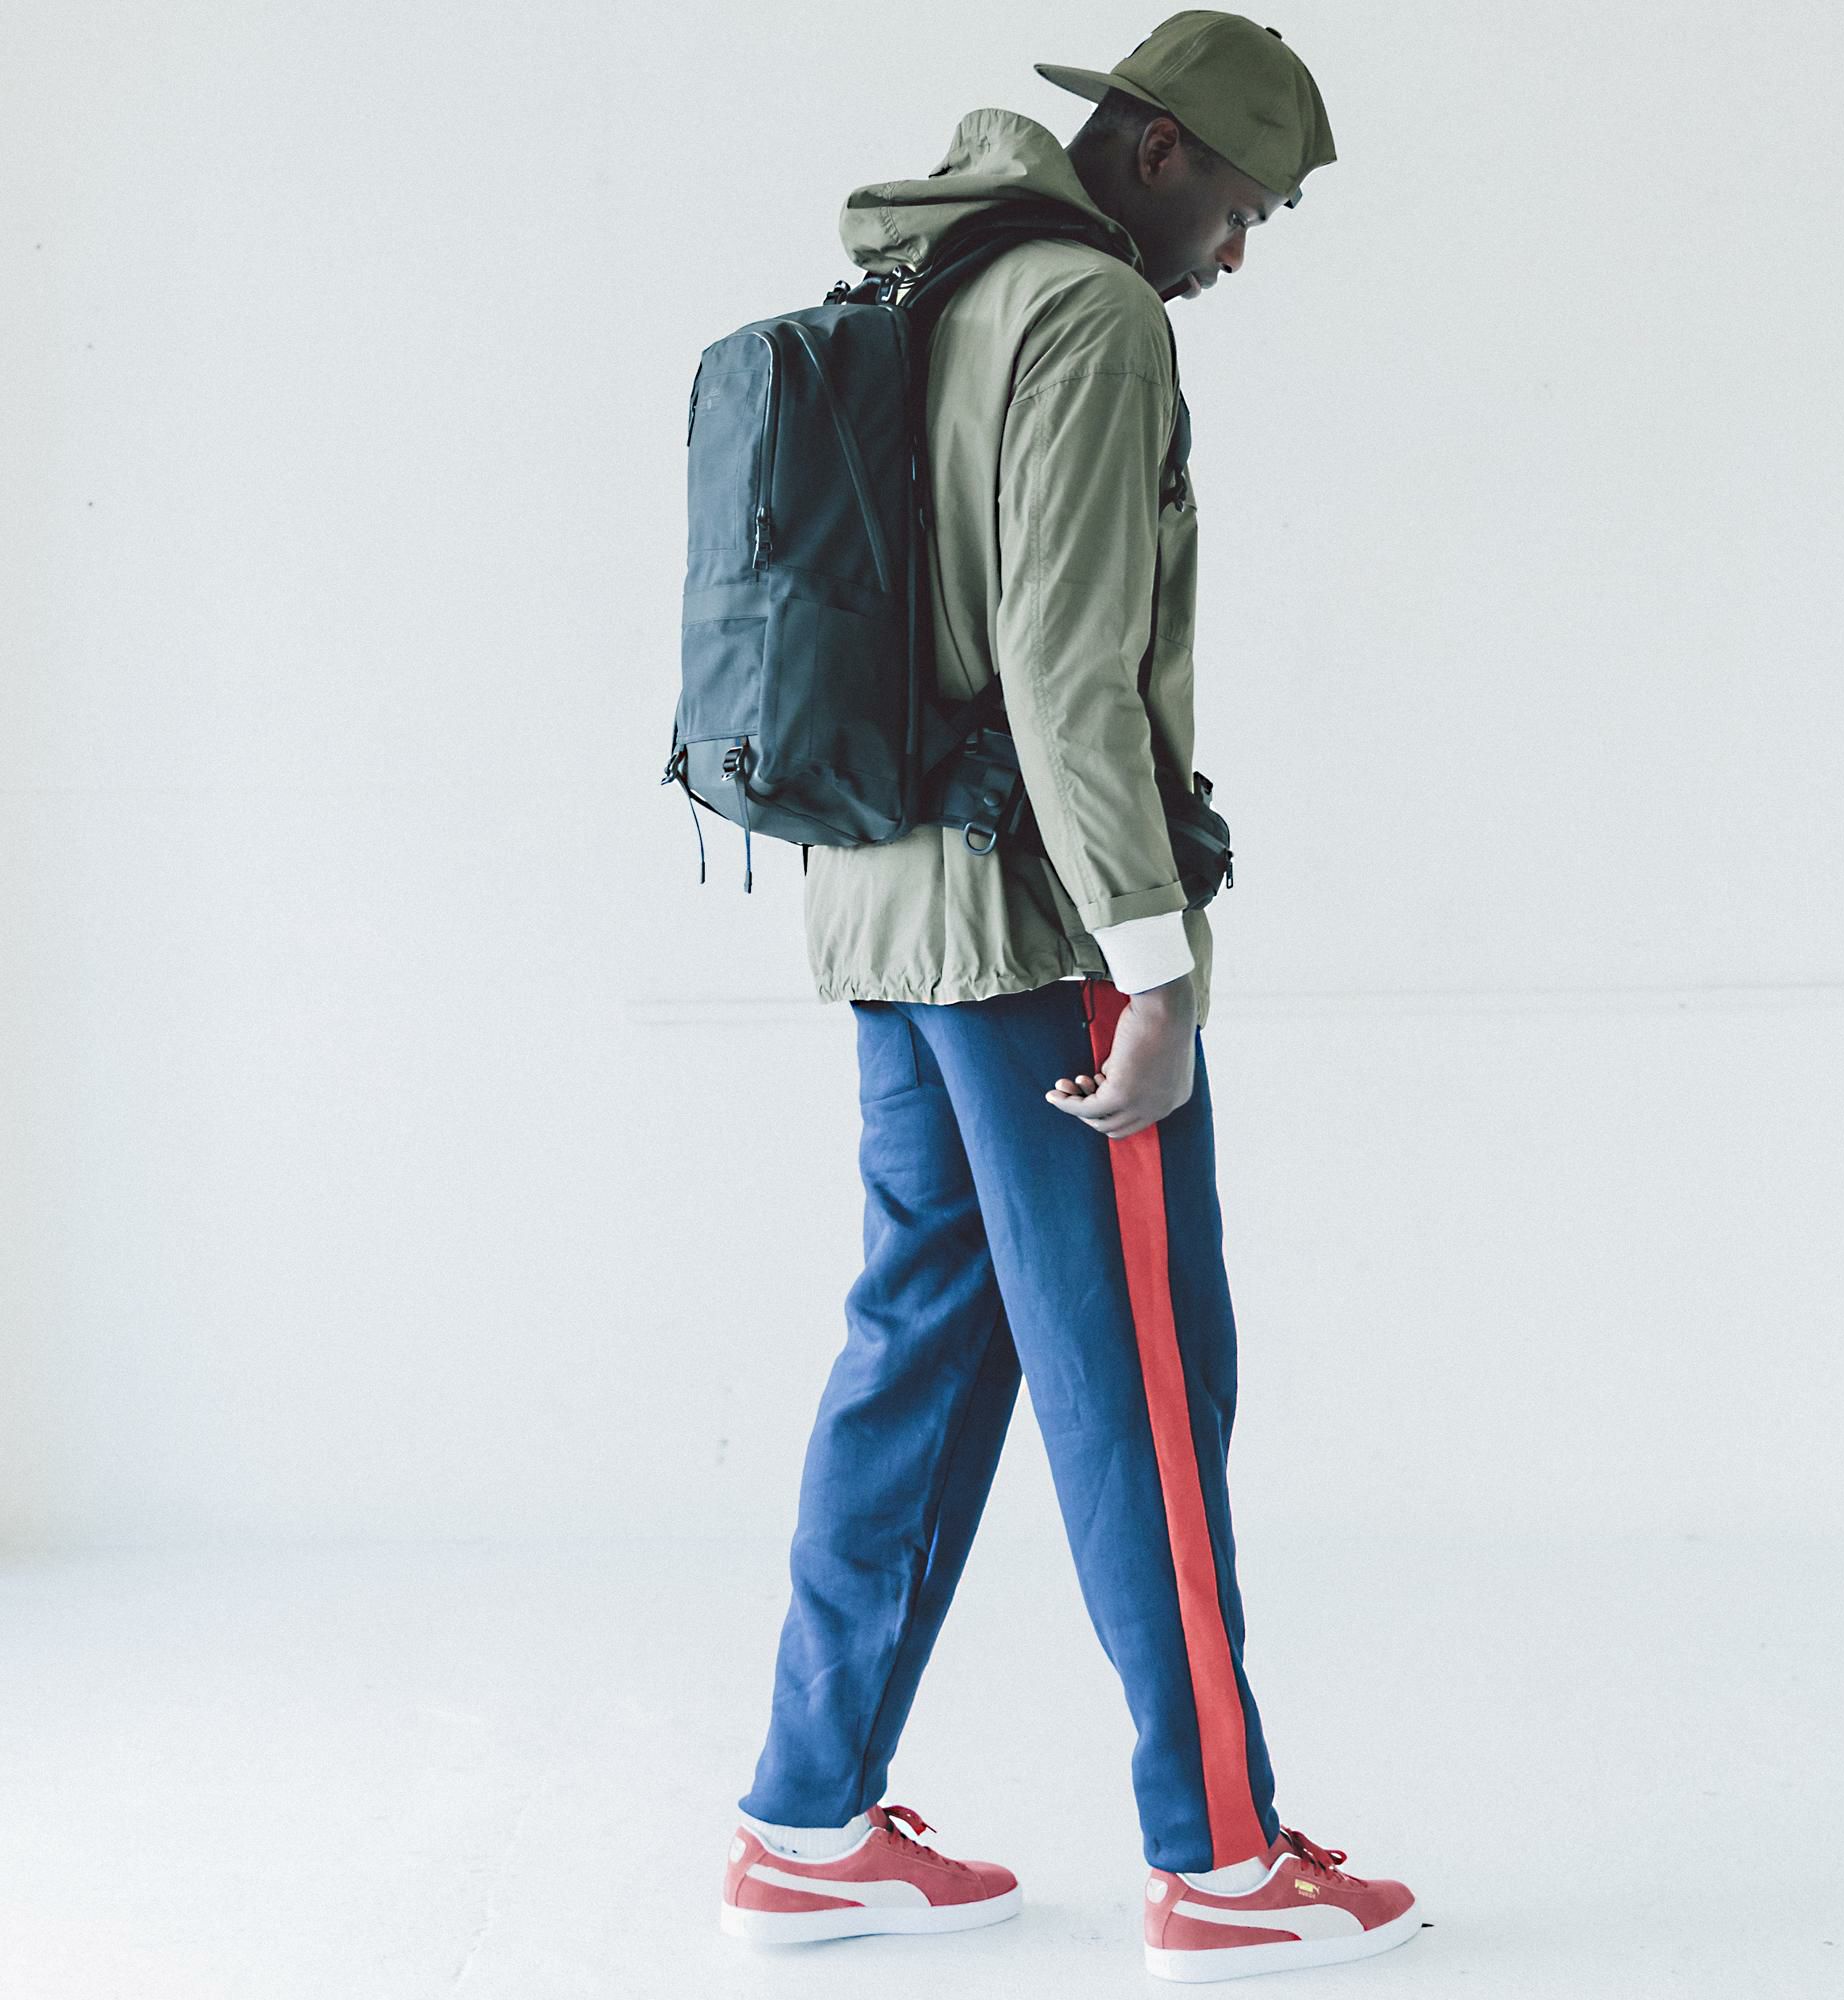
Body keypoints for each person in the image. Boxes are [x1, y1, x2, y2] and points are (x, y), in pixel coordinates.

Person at [716, 12, 1423, 1983]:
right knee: (1143, 1383)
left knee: (919, 1351)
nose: (1240, 251)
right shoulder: (1091, 313)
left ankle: (804, 1822)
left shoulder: (925, 280)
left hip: (886, 908)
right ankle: (1222, 1861)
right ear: (1157, 153)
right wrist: (1154, 962)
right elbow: (1064, 667)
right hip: (1038, 935)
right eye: (1244, 205)